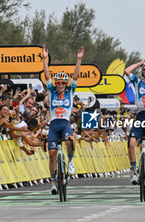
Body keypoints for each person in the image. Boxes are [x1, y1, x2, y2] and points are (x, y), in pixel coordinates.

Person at [42, 44, 84, 195]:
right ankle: (53, 181)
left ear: (65, 84)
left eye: (62, 83)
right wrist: (45, 59)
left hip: (65, 123)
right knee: (52, 153)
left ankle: (70, 161)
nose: (59, 85)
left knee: (70, 141)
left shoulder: (71, 91)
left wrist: (79, 60)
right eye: (58, 83)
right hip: (54, 124)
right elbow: (47, 76)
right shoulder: (52, 91)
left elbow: (76, 76)